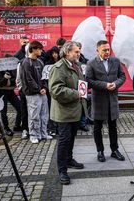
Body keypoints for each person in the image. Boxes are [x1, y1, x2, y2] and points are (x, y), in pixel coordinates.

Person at [49, 41, 87, 185]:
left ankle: (69, 160)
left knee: (71, 138)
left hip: (76, 110)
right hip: (63, 112)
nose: (79, 54)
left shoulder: (76, 65)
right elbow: (56, 90)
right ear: (67, 52)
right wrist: (76, 93)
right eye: (76, 52)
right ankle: (62, 170)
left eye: (79, 51)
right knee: (64, 141)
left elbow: (80, 83)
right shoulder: (58, 68)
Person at [86, 40, 126, 162]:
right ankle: (100, 151)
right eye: (104, 50)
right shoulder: (91, 63)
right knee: (97, 127)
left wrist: (115, 84)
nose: (107, 52)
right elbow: (89, 80)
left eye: (108, 49)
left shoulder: (116, 61)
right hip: (98, 100)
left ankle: (114, 150)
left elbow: (122, 76)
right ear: (97, 50)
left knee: (113, 126)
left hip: (112, 99)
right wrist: (105, 85)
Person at [20, 41, 51, 144]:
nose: (41, 51)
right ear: (33, 49)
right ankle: (33, 135)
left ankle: (43, 133)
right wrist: (39, 89)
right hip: (32, 94)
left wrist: (44, 88)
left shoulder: (40, 62)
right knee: (34, 116)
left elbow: (44, 77)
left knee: (44, 114)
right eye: (39, 49)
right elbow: (28, 79)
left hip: (42, 93)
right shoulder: (25, 62)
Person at [0, 55, 21, 136]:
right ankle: (6, 128)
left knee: (20, 108)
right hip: (1, 91)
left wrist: (8, 79)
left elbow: (16, 79)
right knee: (3, 111)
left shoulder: (13, 68)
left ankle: (17, 125)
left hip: (11, 91)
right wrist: (5, 78)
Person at [45, 46, 60, 136]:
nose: (54, 55)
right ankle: (52, 127)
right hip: (50, 89)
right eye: (53, 53)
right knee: (51, 109)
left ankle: (58, 127)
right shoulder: (48, 64)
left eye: (56, 53)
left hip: (58, 88)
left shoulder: (61, 62)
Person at [16, 44, 30, 139]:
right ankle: (25, 129)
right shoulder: (21, 63)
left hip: (35, 92)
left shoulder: (38, 61)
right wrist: (21, 89)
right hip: (24, 92)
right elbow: (18, 79)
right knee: (24, 111)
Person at [75, 41, 89, 132]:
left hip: (82, 85)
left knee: (83, 105)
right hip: (73, 85)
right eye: (77, 49)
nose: (78, 51)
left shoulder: (84, 60)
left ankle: (83, 123)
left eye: (79, 49)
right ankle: (75, 123)